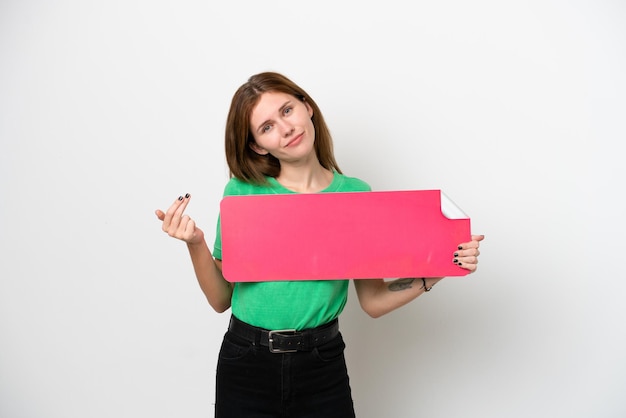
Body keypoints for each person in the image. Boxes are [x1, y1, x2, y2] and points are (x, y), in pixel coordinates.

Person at [155, 72, 484, 418]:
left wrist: (442, 270)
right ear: (256, 145)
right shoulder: (243, 193)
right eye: (266, 127)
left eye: (287, 110)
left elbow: (373, 301)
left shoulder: (356, 194)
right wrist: (196, 243)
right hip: (246, 363)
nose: (285, 128)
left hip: (321, 364)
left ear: (307, 107)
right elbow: (222, 299)